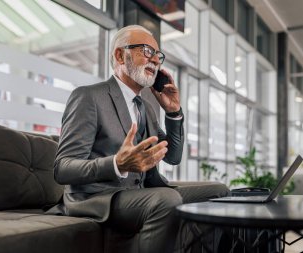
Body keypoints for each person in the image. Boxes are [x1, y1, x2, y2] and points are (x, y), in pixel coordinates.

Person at [52, 25, 230, 253]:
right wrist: (117, 164)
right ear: (119, 55)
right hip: (99, 197)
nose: (156, 60)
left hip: (139, 193)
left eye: (158, 55)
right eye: (147, 51)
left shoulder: (145, 107)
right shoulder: (89, 97)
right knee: (165, 199)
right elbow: (63, 168)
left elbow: (173, 157)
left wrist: (173, 112)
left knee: (220, 191)